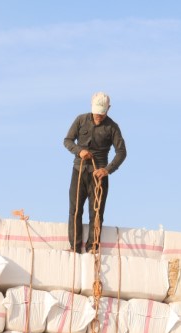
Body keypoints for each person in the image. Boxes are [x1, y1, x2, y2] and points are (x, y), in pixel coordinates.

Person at [63, 91, 127, 253]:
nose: (98, 116)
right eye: (96, 112)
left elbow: (121, 152)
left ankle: (92, 247)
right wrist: (79, 151)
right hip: (79, 171)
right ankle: (75, 247)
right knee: (75, 210)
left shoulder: (113, 127)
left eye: (102, 113)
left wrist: (107, 170)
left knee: (96, 213)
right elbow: (67, 140)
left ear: (108, 109)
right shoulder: (80, 119)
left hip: (99, 176)